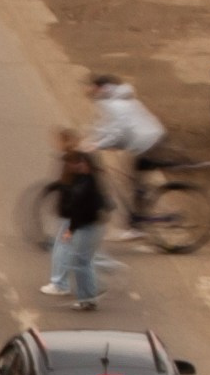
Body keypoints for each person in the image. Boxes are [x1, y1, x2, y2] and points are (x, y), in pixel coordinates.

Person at [84, 74, 169, 240]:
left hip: (147, 142)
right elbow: (106, 127)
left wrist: (97, 145)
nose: (91, 90)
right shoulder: (115, 99)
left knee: (135, 181)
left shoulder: (115, 103)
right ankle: (138, 216)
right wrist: (90, 140)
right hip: (145, 140)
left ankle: (137, 226)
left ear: (102, 88)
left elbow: (117, 130)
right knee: (131, 180)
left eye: (94, 87)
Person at [46, 145, 106, 310]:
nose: (76, 166)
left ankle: (87, 298)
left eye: (79, 163)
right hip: (89, 226)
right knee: (83, 261)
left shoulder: (86, 183)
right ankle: (89, 296)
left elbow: (80, 209)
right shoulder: (86, 180)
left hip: (87, 227)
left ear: (85, 164)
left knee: (80, 262)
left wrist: (70, 229)